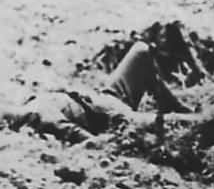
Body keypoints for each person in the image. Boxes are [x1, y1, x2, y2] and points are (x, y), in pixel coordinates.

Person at [2, 41, 190, 143]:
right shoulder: (42, 118)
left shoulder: (30, 103)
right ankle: (181, 116)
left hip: (109, 96)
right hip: (117, 116)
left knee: (141, 50)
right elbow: (93, 143)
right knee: (192, 122)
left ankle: (172, 106)